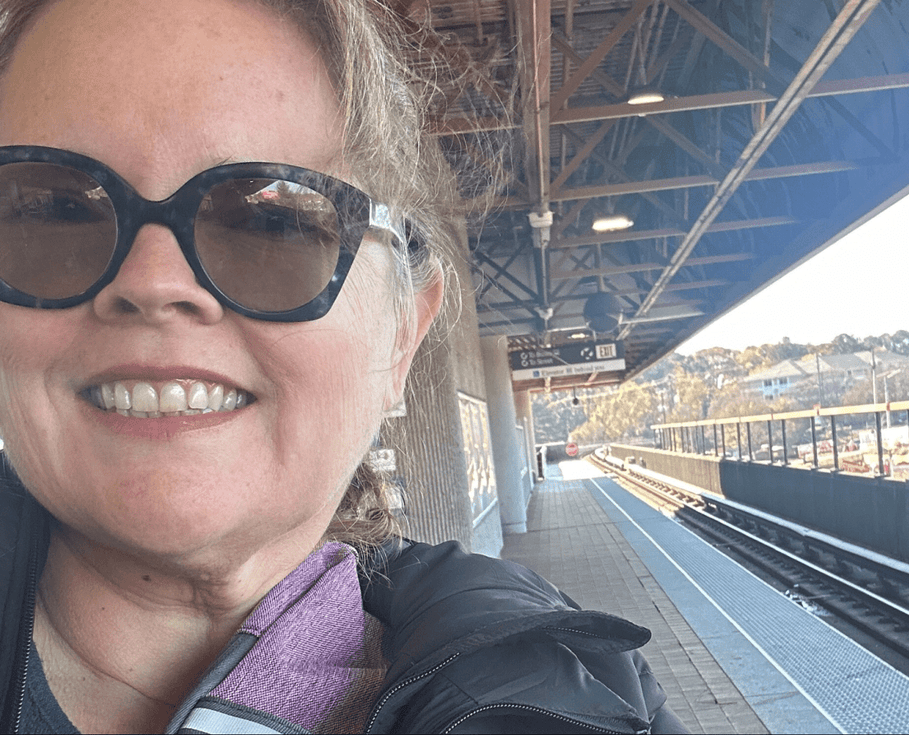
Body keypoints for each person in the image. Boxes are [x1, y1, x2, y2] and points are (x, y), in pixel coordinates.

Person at [0, 0, 685, 732]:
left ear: (400, 337)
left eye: (274, 220)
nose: (153, 282)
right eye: (51, 210)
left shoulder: (582, 702)